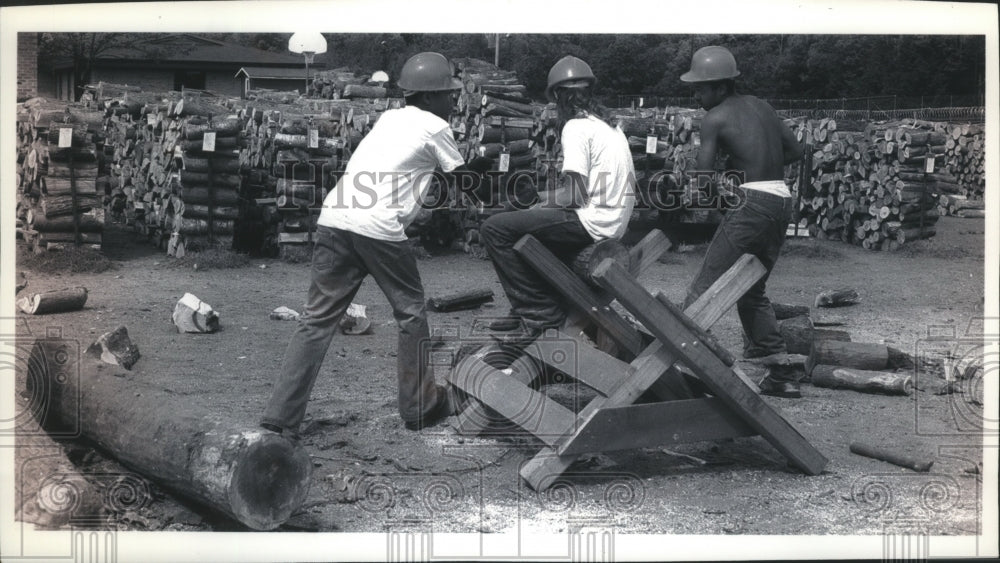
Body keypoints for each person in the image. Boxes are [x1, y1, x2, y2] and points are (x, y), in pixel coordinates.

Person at [261, 52, 492, 436]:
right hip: (379, 228)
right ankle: (419, 406)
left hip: (335, 218)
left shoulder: (389, 117)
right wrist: (485, 168)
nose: (453, 102)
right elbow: (463, 185)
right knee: (411, 314)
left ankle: (279, 417)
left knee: (316, 320)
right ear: (431, 97)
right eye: (449, 95)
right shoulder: (436, 126)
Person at [679, 45, 805, 398]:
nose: (697, 94)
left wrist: (721, 200)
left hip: (753, 203)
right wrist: (756, 166)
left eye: (701, 88)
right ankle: (782, 374)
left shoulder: (715, 117)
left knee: (703, 288)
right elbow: (796, 151)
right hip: (781, 200)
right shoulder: (762, 107)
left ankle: (687, 368)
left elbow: (703, 177)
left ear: (721, 87)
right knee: (752, 290)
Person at [480, 55, 636, 339]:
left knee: (494, 228)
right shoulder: (608, 126)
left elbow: (575, 195)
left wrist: (540, 205)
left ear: (560, 98)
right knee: (524, 223)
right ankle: (526, 309)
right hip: (611, 220)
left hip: (593, 222)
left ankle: (538, 313)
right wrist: (542, 198)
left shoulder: (575, 128)